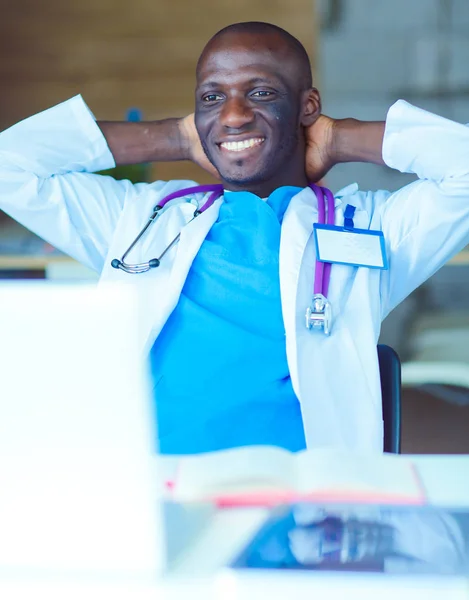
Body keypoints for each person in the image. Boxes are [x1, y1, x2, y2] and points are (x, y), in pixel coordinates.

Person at [1, 21, 469, 455]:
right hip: (156, 494)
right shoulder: (143, 218)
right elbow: (10, 167)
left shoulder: (370, 228)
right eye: (211, 98)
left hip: (308, 503)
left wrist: (341, 138)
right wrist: (176, 137)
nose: (234, 115)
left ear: (307, 106)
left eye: (261, 92)